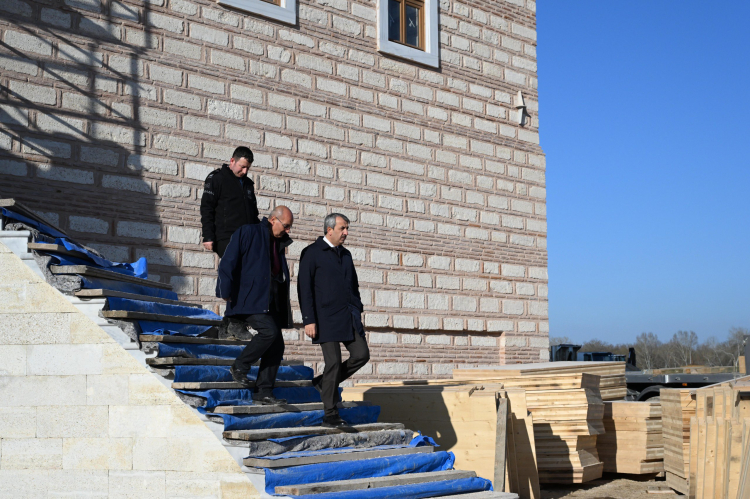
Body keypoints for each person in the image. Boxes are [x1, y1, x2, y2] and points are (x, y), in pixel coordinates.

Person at [297, 213, 370, 426]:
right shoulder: (311, 252)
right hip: (324, 319)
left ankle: (323, 382)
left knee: (361, 354)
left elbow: (353, 285)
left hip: (348, 316)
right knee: (334, 363)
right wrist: (308, 319)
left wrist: (357, 307)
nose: (346, 233)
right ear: (329, 230)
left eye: (347, 229)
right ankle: (330, 414)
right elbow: (304, 288)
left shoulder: (346, 254)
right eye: (342, 228)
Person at [216, 206, 294, 405]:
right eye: (286, 226)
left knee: (277, 345)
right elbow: (228, 262)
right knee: (269, 332)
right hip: (247, 298)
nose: (288, 231)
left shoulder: (278, 242)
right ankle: (240, 366)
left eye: (289, 227)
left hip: (269, 301)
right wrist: (225, 290)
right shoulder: (248, 232)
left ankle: (263, 392)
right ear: (273, 220)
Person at [200, 146, 260, 258]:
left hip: (247, 238)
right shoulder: (217, 178)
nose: (245, 171)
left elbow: (253, 213)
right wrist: (208, 236)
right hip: (226, 237)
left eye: (248, 168)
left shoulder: (248, 184)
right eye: (242, 167)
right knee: (235, 267)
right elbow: (207, 208)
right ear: (232, 161)